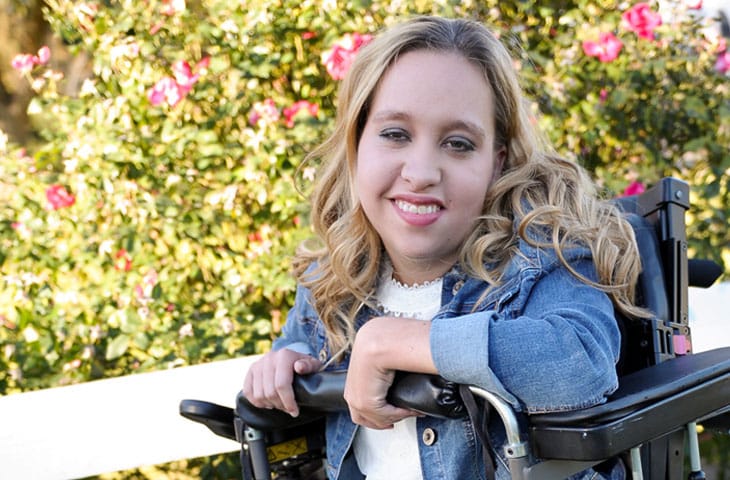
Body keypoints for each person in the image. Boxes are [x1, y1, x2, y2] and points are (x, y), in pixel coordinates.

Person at [243, 15, 646, 480]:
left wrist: (393, 341)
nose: (421, 172)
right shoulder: (329, 283)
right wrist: (284, 366)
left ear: (496, 162)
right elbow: (296, 349)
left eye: (458, 144)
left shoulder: (542, 257)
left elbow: (580, 365)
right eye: (395, 134)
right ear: (356, 144)